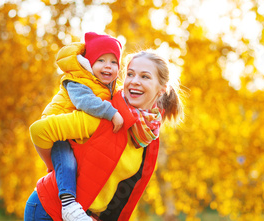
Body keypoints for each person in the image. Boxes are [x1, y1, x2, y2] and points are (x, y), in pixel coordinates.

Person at [25, 50, 184, 221]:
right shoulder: (103, 114)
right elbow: (39, 130)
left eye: (145, 77)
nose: (134, 81)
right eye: (130, 74)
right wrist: (58, 170)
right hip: (48, 210)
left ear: (162, 89)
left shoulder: (148, 135)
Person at [37, 32, 124, 221]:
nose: (108, 65)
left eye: (114, 62)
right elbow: (84, 102)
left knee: (74, 165)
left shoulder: (108, 87)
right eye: (101, 60)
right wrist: (112, 113)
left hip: (74, 132)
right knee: (67, 160)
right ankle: (68, 204)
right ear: (89, 64)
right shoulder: (77, 80)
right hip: (59, 127)